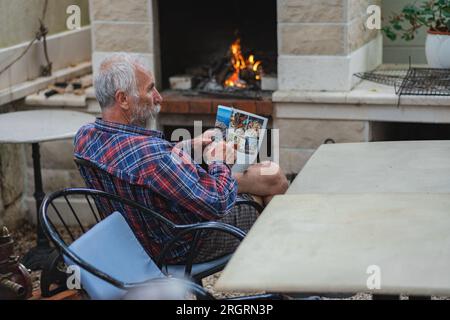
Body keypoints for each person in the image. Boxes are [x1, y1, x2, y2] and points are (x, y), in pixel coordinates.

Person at [74, 53, 288, 263]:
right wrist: (219, 161)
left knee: (263, 176)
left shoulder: (85, 138)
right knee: (273, 179)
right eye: (150, 89)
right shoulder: (151, 155)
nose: (159, 97)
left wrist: (188, 146)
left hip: (133, 240)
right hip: (182, 243)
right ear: (123, 99)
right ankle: (281, 275)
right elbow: (217, 202)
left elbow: (137, 162)